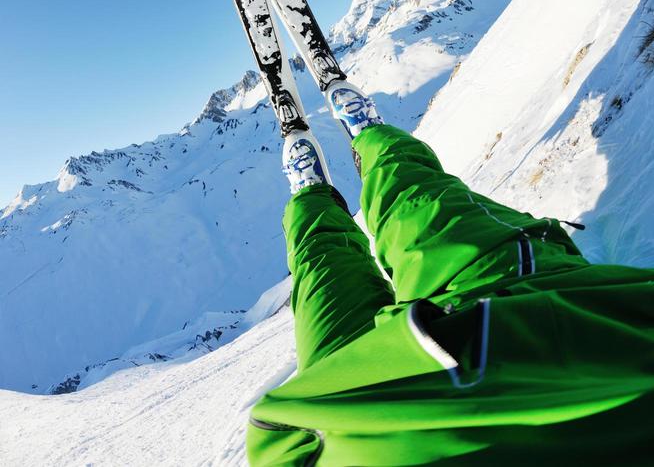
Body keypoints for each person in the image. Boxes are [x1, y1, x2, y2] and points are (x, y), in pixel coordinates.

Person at [246, 84, 654, 465]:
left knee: (322, 269)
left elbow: (275, 438)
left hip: (347, 409)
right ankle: (372, 137)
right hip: (520, 308)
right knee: (417, 198)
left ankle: (311, 195)